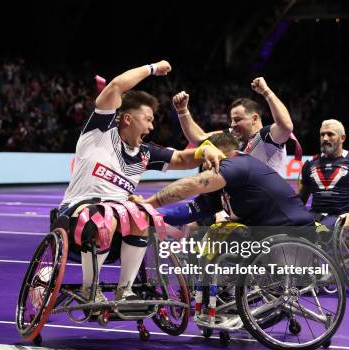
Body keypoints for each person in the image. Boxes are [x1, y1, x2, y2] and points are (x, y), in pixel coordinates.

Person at [57, 60, 224, 303]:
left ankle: (125, 290)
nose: (152, 125)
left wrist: (205, 150)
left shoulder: (145, 152)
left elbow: (181, 157)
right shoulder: (99, 133)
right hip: (77, 213)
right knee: (107, 216)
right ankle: (89, 289)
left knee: (140, 217)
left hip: (119, 219)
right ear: (126, 119)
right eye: (148, 119)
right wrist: (154, 68)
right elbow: (115, 86)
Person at [159, 78, 296, 226]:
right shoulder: (234, 137)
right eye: (231, 120)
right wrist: (182, 111)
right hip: (237, 203)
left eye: (237, 120)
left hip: (265, 210)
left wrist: (266, 92)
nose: (232, 125)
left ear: (254, 118)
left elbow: (287, 126)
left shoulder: (267, 137)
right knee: (184, 221)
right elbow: (199, 138)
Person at [132, 132, 314, 227]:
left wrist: (150, 203)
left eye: (205, 159)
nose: (202, 165)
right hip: (267, 234)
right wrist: (151, 215)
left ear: (219, 153)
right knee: (215, 233)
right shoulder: (221, 185)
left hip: (292, 232)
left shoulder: (237, 164)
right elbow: (190, 211)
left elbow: (192, 184)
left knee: (221, 234)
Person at [297, 119, 349, 228]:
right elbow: (300, 199)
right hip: (314, 218)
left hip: (341, 219)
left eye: (330, 134)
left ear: (342, 138)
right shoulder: (309, 164)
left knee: (319, 229)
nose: (325, 138)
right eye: (322, 135)